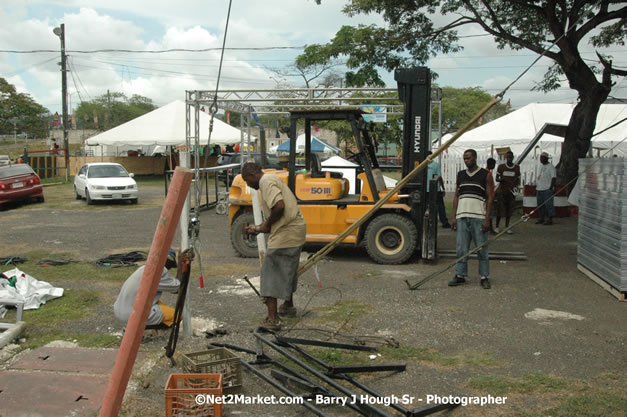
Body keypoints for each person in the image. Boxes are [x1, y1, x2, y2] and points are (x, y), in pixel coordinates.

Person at [241, 161, 306, 331]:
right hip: (295, 230)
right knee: (287, 269)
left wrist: (267, 226)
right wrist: (260, 227)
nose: (248, 185)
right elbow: (276, 213)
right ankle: (288, 306)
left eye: (247, 181)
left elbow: (279, 206)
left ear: (253, 175)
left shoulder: (265, 182)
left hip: (287, 232)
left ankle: (273, 319)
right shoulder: (270, 180)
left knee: (270, 271)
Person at [449, 149, 495, 290]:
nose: (466, 160)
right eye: (464, 158)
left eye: (468, 158)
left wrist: (487, 219)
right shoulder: (461, 175)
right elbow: (457, 195)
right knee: (461, 248)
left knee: (482, 248)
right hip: (462, 217)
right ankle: (460, 275)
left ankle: (484, 277)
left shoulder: (485, 175)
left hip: (478, 217)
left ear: (475, 158)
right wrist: (454, 216)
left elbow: (490, 197)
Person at [113, 249, 191, 328]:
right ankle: (139, 329)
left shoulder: (144, 268)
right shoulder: (159, 270)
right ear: (167, 261)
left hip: (120, 309)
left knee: (160, 305)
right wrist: (182, 264)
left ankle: (135, 327)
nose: (169, 269)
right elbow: (178, 288)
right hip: (132, 313)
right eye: (170, 265)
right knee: (177, 317)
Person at [495, 151, 521, 234]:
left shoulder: (516, 167)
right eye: (508, 157)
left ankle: (507, 227)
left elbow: (518, 179)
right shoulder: (501, 167)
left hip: (511, 192)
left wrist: (516, 187)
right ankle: (497, 226)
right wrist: (502, 180)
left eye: (510, 157)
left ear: (513, 157)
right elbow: (497, 178)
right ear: (506, 158)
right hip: (502, 191)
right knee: (500, 209)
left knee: (509, 210)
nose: (509, 159)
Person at [426, 151, 451, 228]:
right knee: (439, 206)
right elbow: (439, 177)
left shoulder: (433, 165)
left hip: (434, 189)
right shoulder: (423, 165)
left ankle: (443, 221)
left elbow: (439, 177)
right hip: (430, 189)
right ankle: (440, 221)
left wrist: (442, 188)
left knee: (440, 206)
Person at [536, 151, 556, 225]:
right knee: (540, 205)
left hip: (547, 189)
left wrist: (551, 188)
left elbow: (554, 178)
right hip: (539, 188)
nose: (541, 159)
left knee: (548, 205)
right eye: (540, 158)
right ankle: (541, 218)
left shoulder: (551, 167)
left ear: (546, 158)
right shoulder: (541, 166)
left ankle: (550, 219)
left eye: (542, 158)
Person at [486, 158, 497, 233]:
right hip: (489, 196)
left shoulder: (488, 172)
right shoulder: (488, 173)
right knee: (490, 212)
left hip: (490, 195)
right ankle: (490, 228)